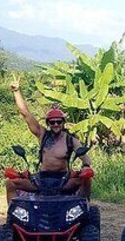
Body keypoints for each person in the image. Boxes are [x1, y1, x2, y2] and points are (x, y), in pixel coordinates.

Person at [6, 74, 92, 204]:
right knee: (10, 183)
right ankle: (12, 215)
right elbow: (25, 113)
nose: (56, 125)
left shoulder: (71, 140)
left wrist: (85, 167)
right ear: (48, 123)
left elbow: (86, 158)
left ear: (63, 123)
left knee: (87, 180)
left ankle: (84, 209)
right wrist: (16, 92)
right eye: (52, 122)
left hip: (63, 180)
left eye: (58, 122)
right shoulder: (42, 134)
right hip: (42, 179)